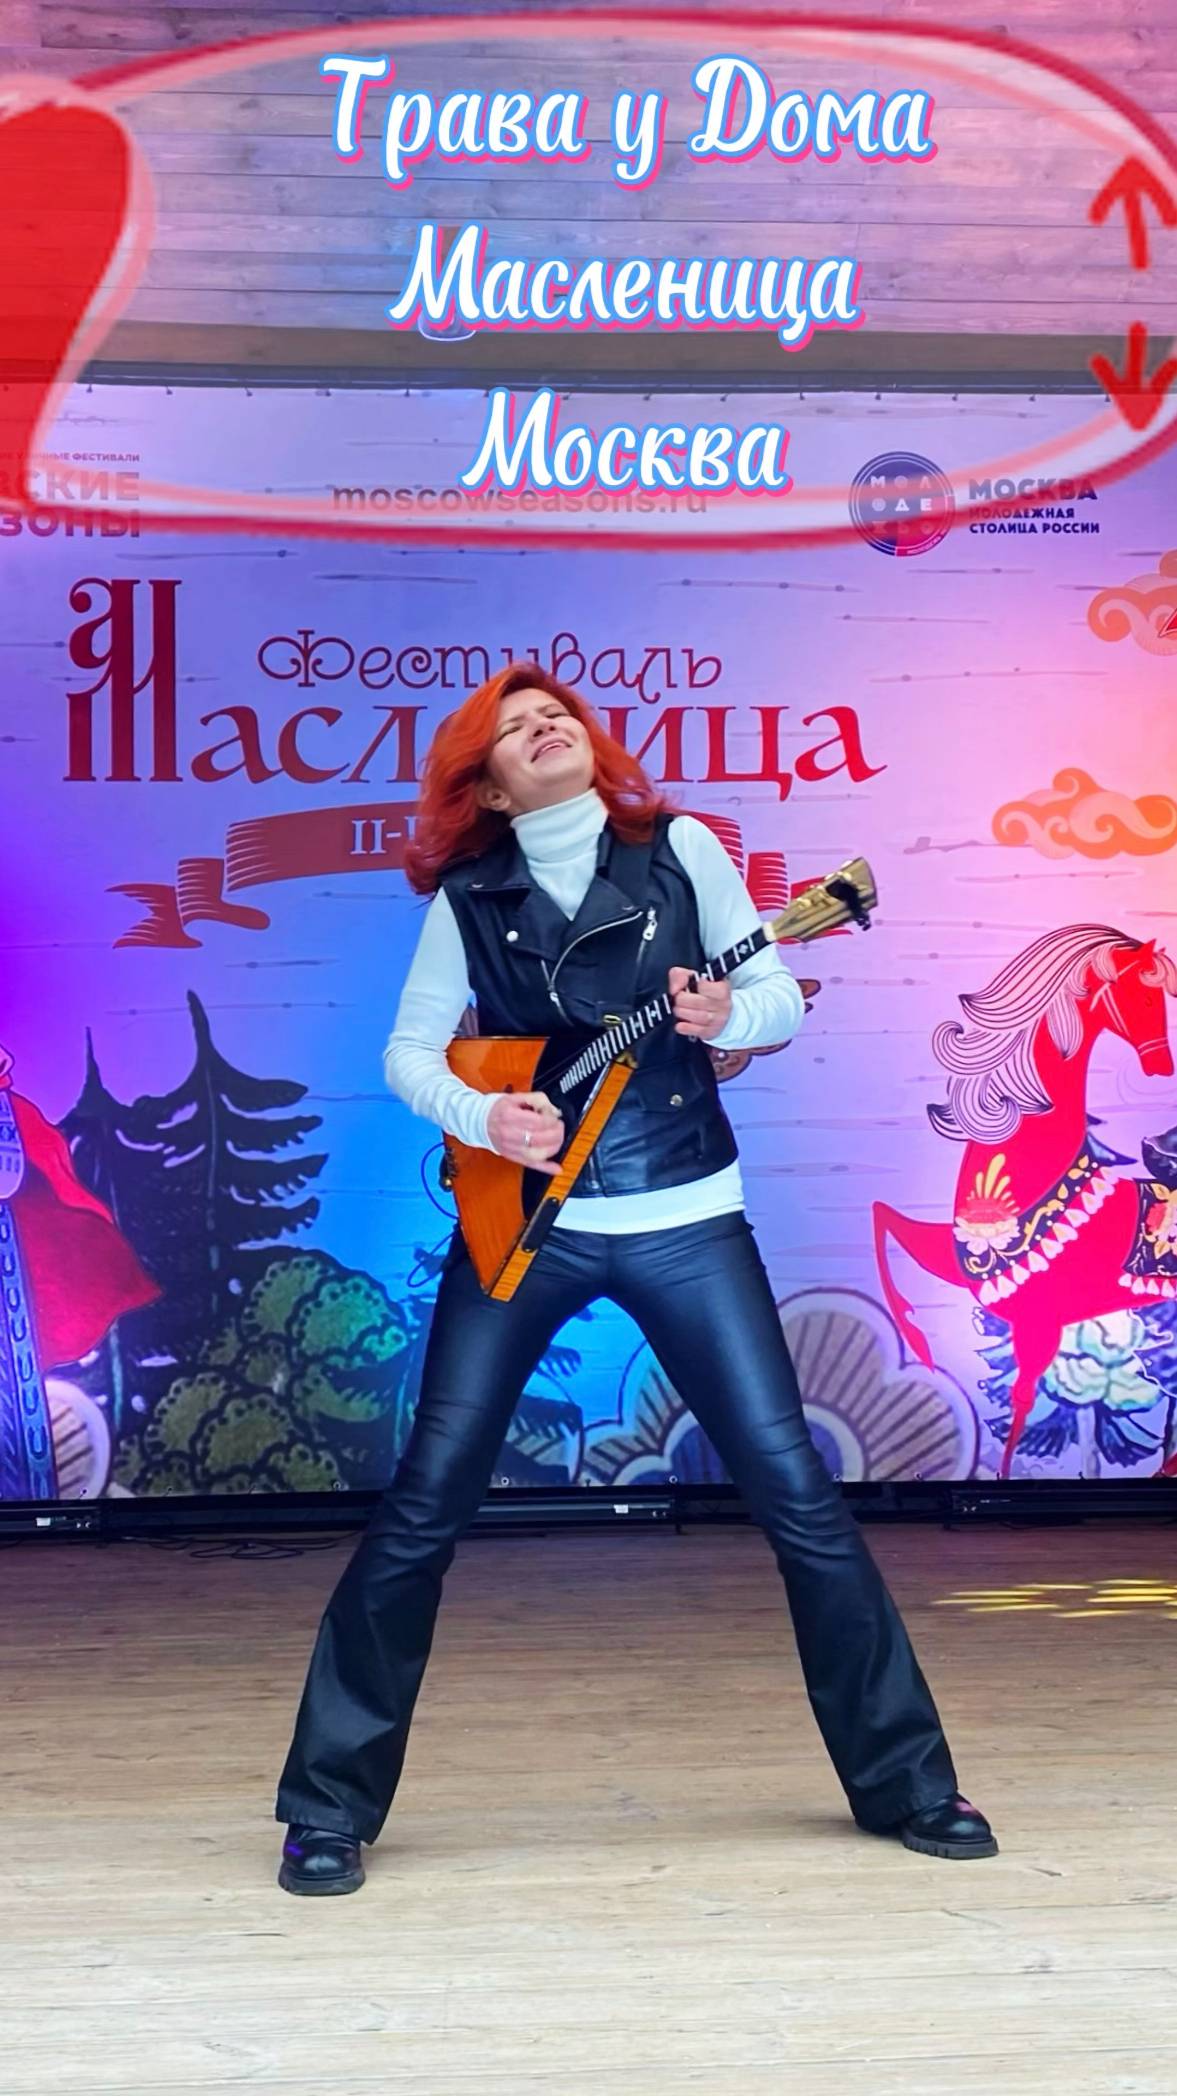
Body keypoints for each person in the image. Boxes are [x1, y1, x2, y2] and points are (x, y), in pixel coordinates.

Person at [275, 663, 996, 1895]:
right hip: (528, 1229)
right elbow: (407, 1050)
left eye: (552, 713)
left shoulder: (679, 850)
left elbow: (775, 997)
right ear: (486, 787)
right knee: (424, 1506)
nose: (542, 727)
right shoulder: (466, 898)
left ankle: (910, 1783)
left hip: (687, 1218)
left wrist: (726, 1016)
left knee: (799, 1499)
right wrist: (483, 1116)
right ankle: (326, 1805)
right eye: (512, 729)